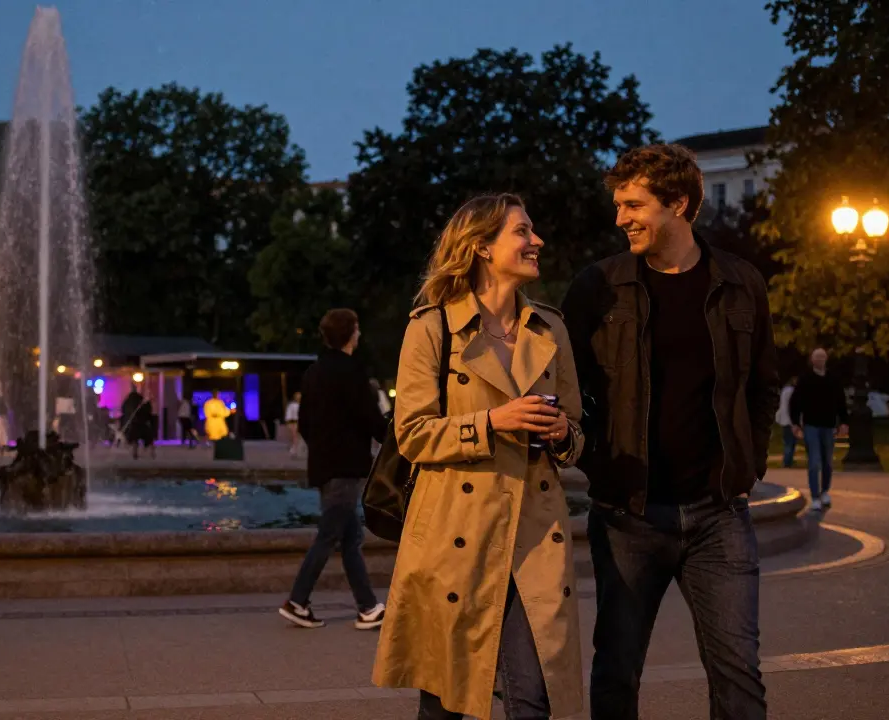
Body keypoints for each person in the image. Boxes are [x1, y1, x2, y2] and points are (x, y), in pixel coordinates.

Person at [561, 143, 779, 720]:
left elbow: (762, 386)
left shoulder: (741, 283)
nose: (619, 219)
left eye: (632, 205)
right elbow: (567, 390)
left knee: (739, 675)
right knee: (616, 674)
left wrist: (747, 467)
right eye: (617, 205)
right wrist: (599, 467)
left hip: (719, 516)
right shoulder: (596, 287)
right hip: (627, 518)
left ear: (678, 203)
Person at [372, 194, 587, 720]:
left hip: (532, 537)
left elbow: (579, 433)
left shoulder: (550, 329)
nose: (537, 241)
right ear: (482, 247)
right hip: (454, 535)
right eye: (522, 231)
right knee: (445, 704)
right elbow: (414, 435)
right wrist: (494, 422)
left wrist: (562, 432)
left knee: (532, 701)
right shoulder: (431, 328)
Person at [278, 309, 388, 632]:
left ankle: (367, 607)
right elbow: (369, 416)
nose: (360, 335)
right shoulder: (352, 370)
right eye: (357, 330)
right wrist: (392, 438)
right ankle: (297, 601)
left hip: (325, 464)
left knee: (350, 536)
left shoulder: (314, 372)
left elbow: (306, 425)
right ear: (351, 334)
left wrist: (322, 450)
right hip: (346, 464)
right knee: (329, 535)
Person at [788, 348, 849, 511]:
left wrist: (844, 421)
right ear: (811, 359)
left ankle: (824, 492)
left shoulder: (833, 379)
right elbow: (795, 402)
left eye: (822, 357)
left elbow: (841, 401)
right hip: (811, 426)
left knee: (827, 462)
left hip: (829, 426)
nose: (820, 359)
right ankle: (815, 495)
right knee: (814, 461)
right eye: (817, 357)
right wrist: (795, 423)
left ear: (826, 359)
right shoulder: (806, 379)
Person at [777, 376, 798, 468]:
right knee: (791, 442)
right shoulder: (792, 391)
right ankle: (787, 461)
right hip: (790, 421)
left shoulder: (785, 390)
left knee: (788, 441)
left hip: (784, 420)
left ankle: (788, 460)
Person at [284, 392, 302, 457]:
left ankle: (296, 450)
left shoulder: (301, 405)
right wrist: (288, 423)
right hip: (293, 422)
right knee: (294, 437)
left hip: (299, 422)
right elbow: (288, 414)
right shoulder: (292, 405)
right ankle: (294, 450)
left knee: (298, 437)